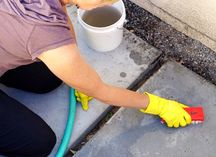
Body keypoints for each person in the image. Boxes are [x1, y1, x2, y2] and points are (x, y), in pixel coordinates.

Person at [0, 0, 191, 156]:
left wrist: (78, 74)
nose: (107, 3)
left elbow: (61, 15)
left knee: (49, 77)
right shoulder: (41, 32)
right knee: (38, 142)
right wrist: (159, 105)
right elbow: (103, 93)